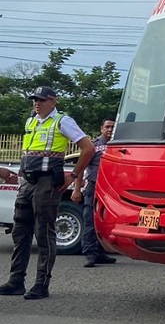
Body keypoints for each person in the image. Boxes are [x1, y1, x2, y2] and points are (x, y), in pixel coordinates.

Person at [0, 87, 94, 300]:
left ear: (54, 101)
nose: (37, 103)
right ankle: (16, 281)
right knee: (20, 231)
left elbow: (88, 148)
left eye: (42, 100)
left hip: (47, 182)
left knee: (44, 233)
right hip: (29, 181)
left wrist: (74, 175)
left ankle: (42, 284)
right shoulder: (31, 121)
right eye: (34, 99)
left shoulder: (62, 121)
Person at [71, 117, 117, 268]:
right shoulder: (93, 146)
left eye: (112, 127)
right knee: (90, 220)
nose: (110, 130)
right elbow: (81, 168)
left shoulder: (117, 146)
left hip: (110, 189)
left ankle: (100, 252)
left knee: (103, 222)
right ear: (101, 128)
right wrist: (77, 189)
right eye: (107, 127)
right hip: (93, 186)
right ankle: (90, 253)